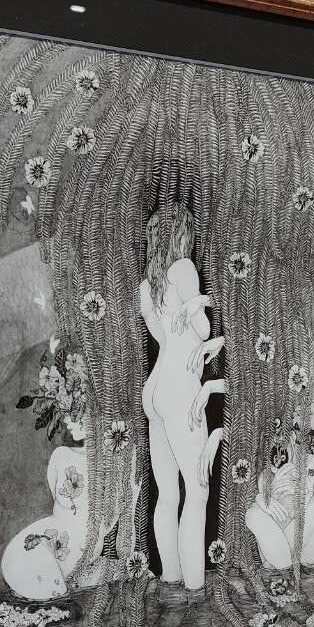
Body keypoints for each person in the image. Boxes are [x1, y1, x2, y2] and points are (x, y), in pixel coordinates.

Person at [138, 203, 224, 589]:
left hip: (155, 390)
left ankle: (170, 576)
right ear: (182, 236)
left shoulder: (147, 285)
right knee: (198, 490)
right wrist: (197, 304)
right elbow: (202, 331)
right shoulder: (185, 269)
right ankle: (194, 585)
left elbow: (162, 338)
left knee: (168, 493)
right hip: (180, 387)